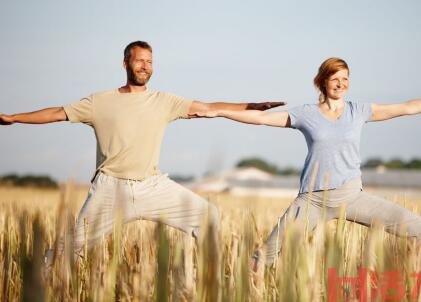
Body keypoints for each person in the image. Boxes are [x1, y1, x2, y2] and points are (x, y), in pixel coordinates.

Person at [0, 41, 284, 264]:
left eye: (150, 62)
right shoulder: (100, 102)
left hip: (152, 186)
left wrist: (251, 105)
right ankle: (34, 285)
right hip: (111, 190)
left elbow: (208, 108)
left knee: (209, 217)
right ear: (126, 63)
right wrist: (14, 117)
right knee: (68, 252)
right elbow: (57, 113)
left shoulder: (164, 101)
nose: (145, 66)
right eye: (140, 60)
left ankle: (213, 281)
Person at [190, 57, 421, 268]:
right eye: (335, 79)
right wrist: (218, 111)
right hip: (312, 201)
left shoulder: (359, 111)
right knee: (265, 257)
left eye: (345, 79)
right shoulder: (305, 114)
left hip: (351, 196)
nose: (341, 84)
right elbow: (260, 118)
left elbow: (407, 107)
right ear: (322, 81)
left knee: (418, 228)